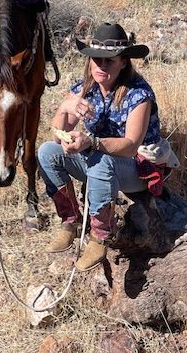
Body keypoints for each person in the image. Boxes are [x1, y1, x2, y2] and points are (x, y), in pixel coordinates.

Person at [37, 21, 166, 272]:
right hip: (100, 164)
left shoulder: (138, 94)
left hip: (138, 170)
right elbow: (56, 136)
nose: (101, 65)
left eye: (109, 60)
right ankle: (69, 221)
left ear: (123, 61)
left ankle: (100, 236)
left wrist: (91, 142)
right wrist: (65, 109)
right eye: (96, 59)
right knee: (47, 152)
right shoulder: (85, 88)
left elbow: (130, 146)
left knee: (101, 159)